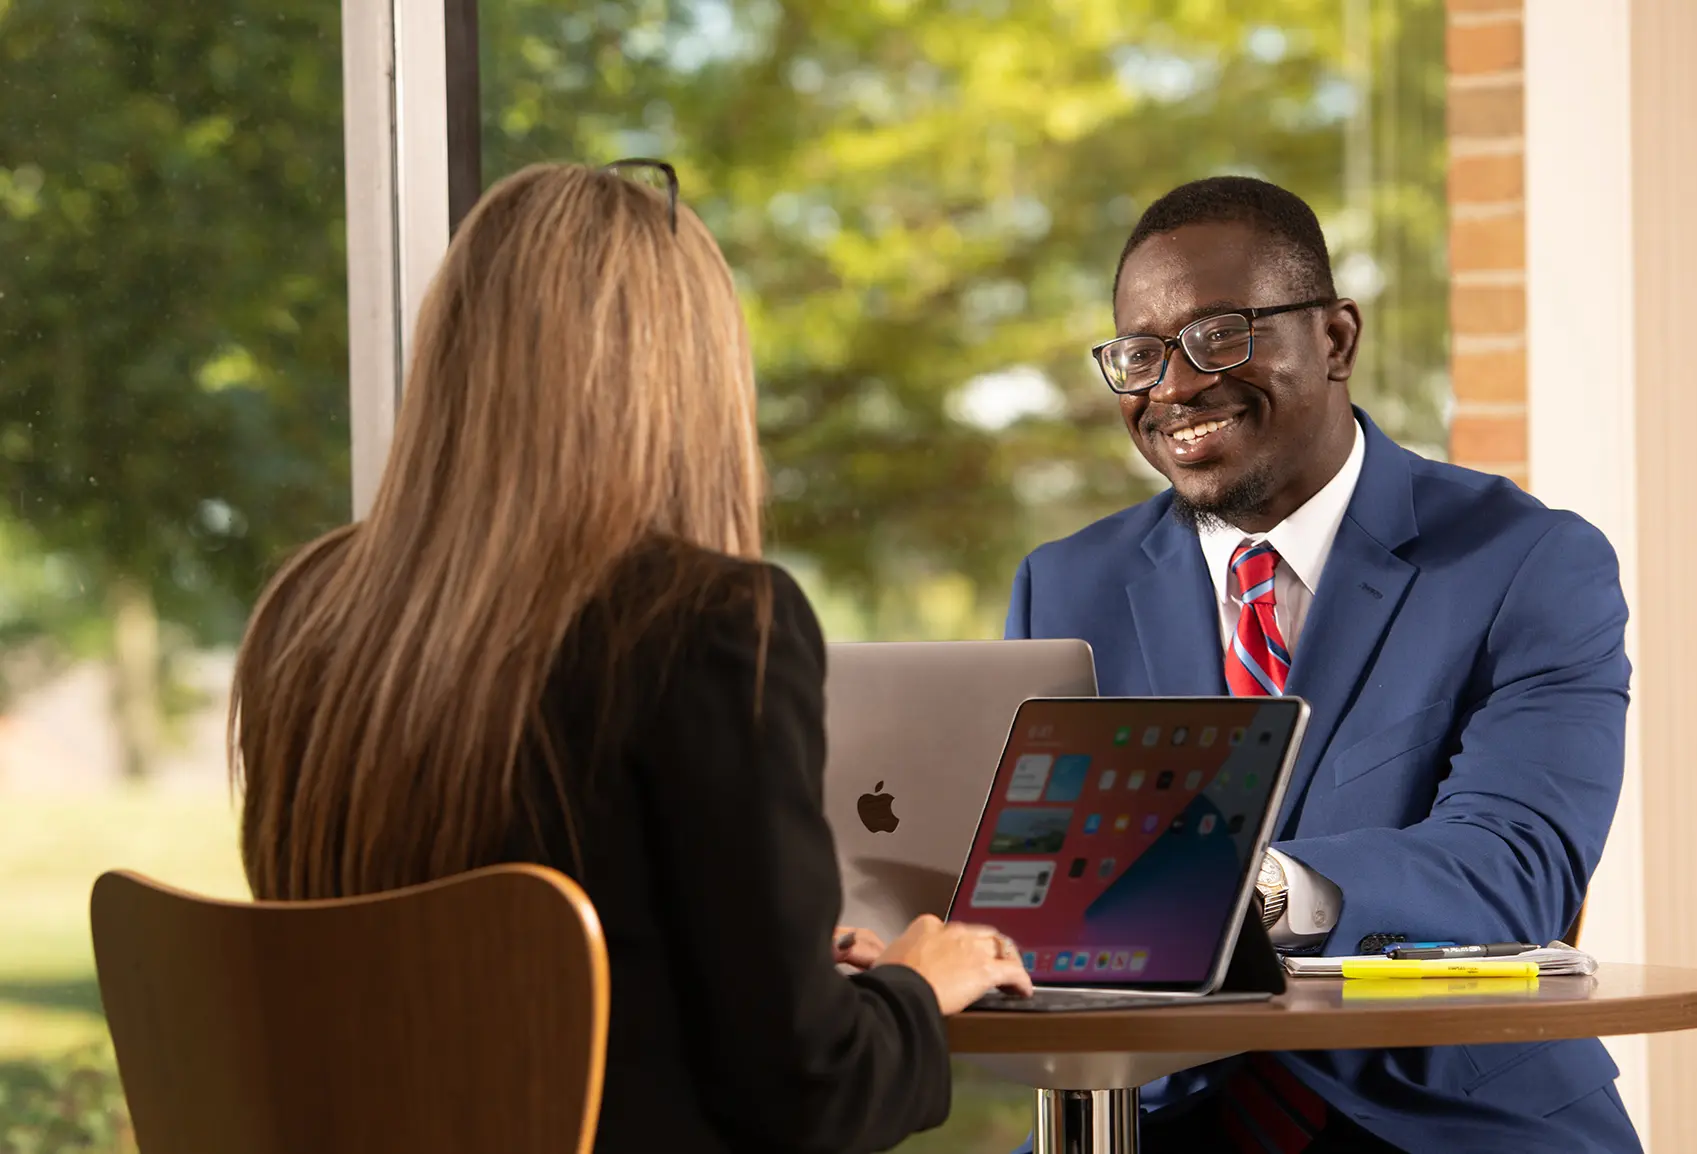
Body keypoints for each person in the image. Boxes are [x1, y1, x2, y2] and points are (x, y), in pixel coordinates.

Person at [229, 160, 1033, 1154]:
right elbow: (805, 1097)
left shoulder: (306, 616)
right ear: (685, 375)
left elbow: (455, 972)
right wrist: (916, 984)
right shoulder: (710, 623)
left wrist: (762, 965)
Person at [1006, 177, 1635, 1152]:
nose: (1173, 386)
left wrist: (1261, 887)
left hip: (1449, 1120)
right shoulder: (1064, 587)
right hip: (1160, 1115)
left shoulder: (1522, 561)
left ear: (1335, 339)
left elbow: (1516, 861)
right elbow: (1034, 880)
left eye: (1219, 334)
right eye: (1139, 355)